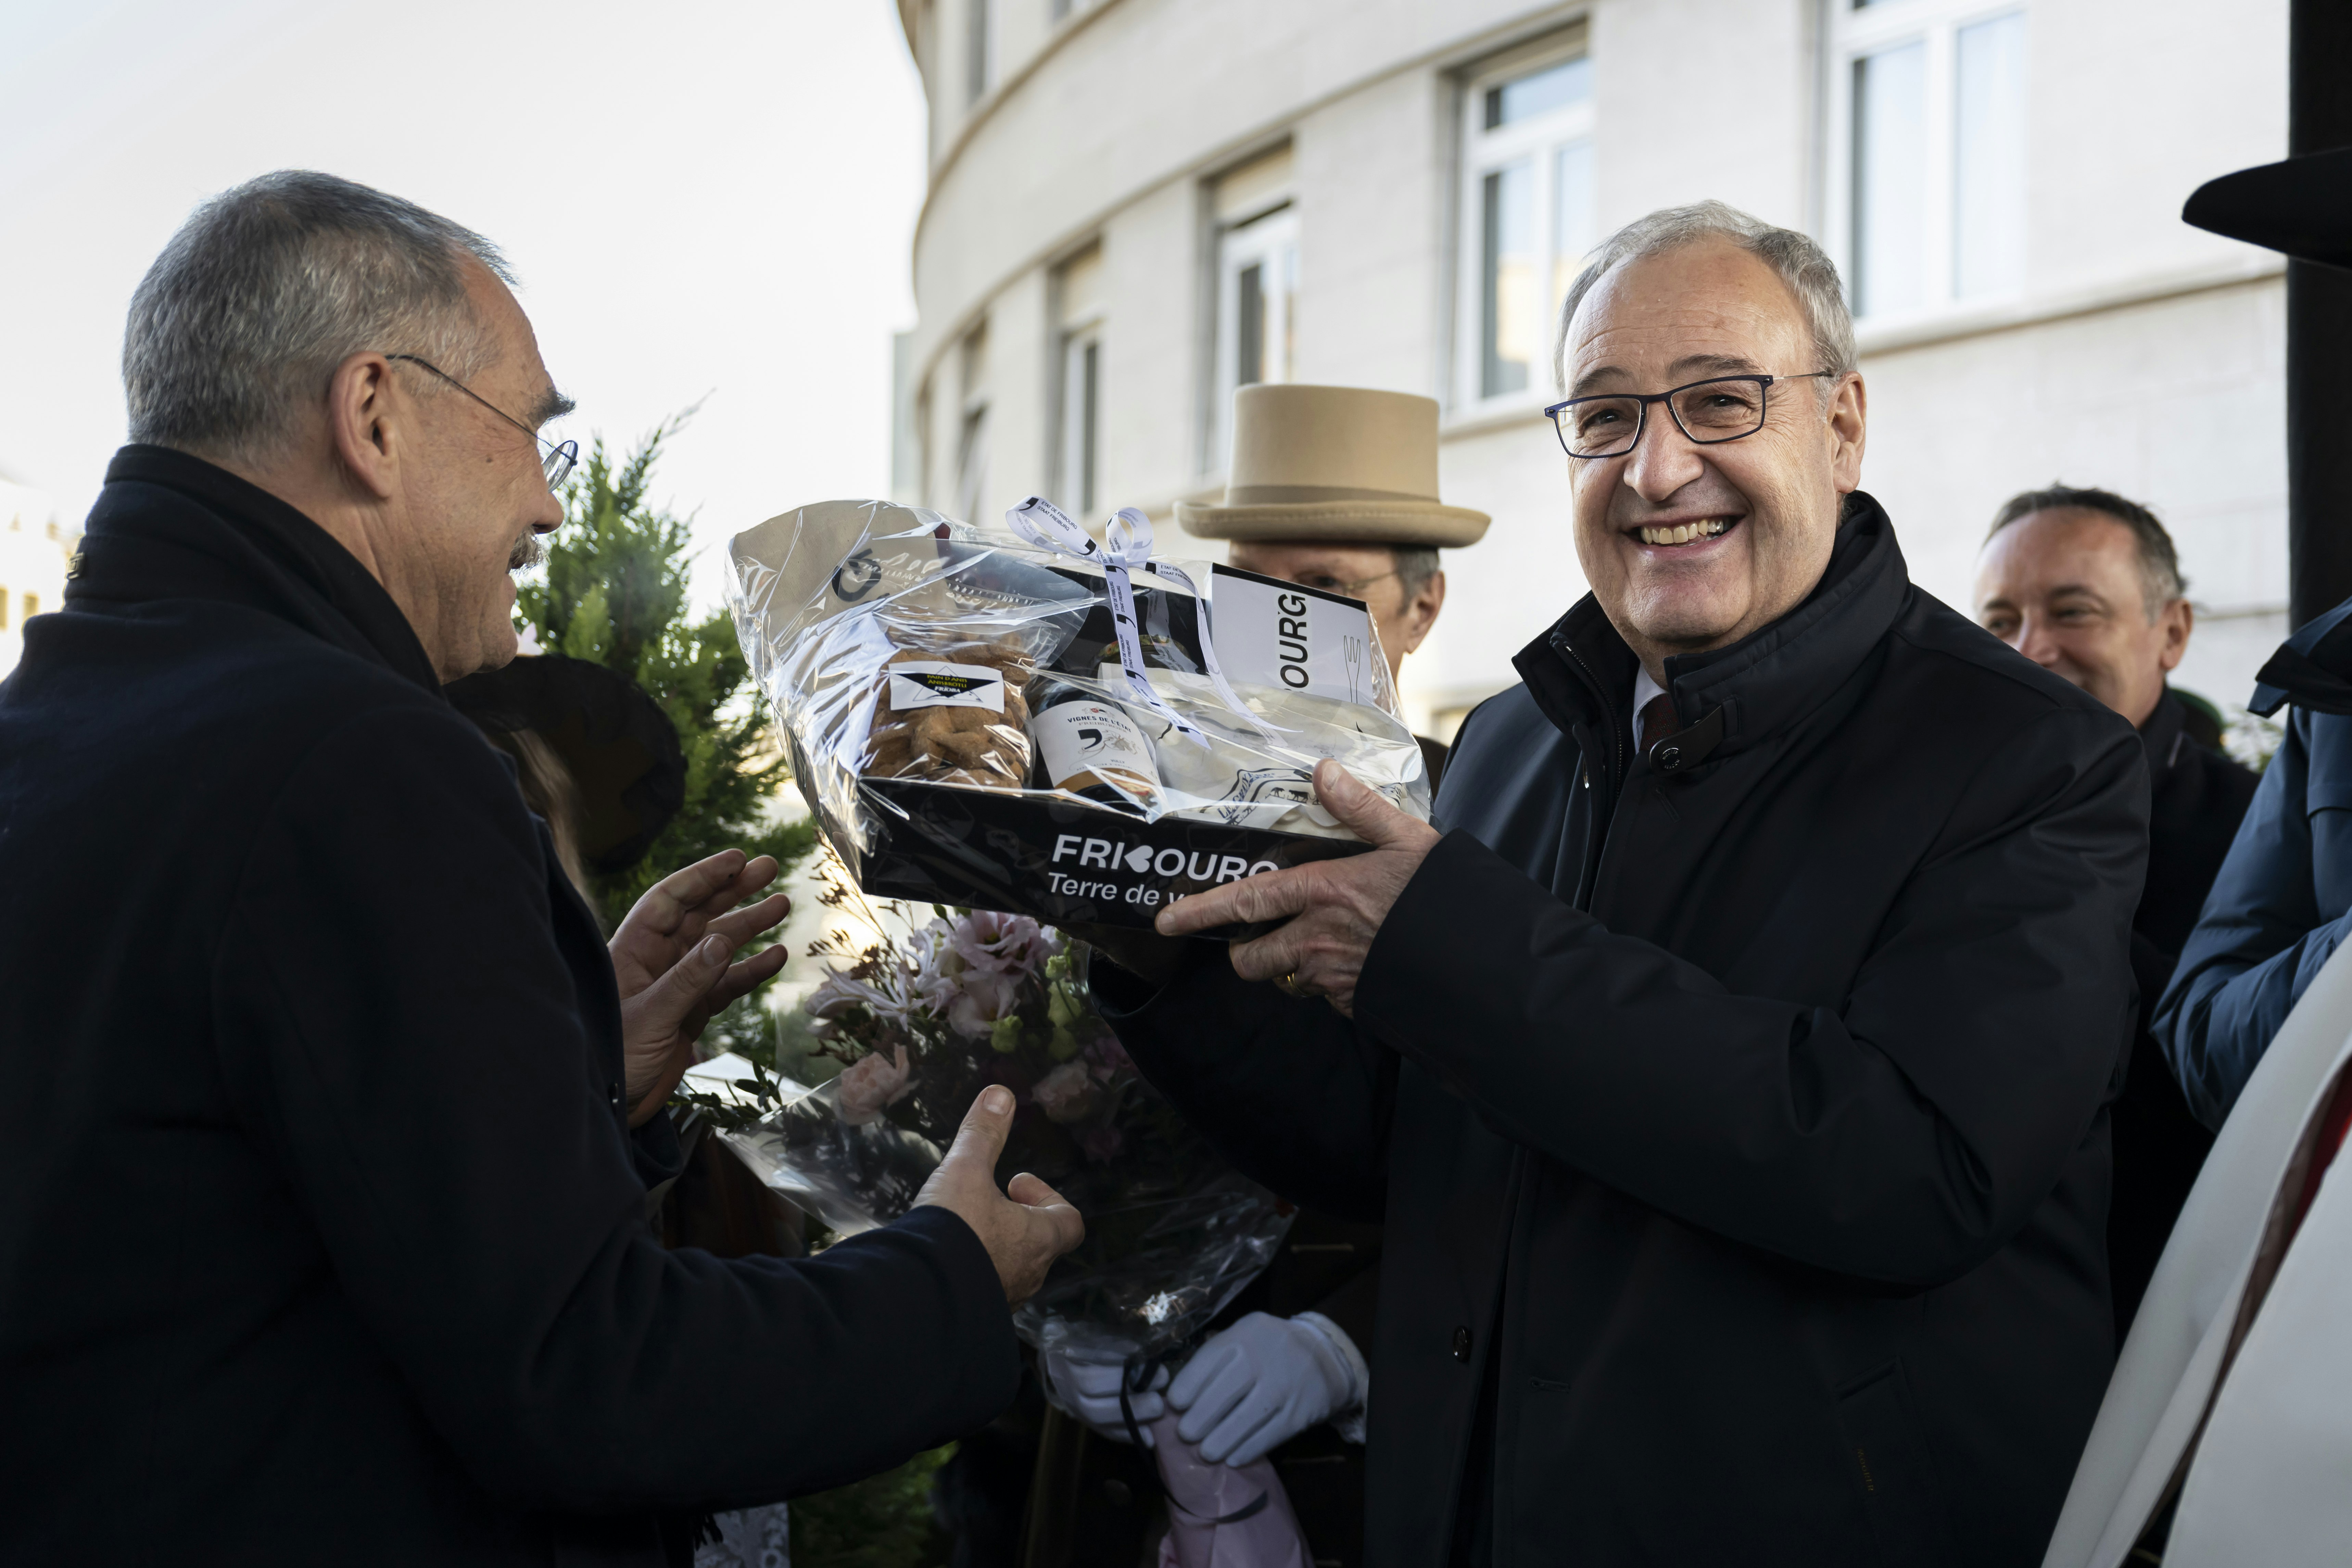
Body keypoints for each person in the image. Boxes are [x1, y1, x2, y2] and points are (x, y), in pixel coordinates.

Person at [0, 170, 1081, 1566]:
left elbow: (216, 1221)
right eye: (531, 433)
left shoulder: (55, 725)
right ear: (374, 413)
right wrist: (949, 1277)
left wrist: (572, 1084)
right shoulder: (357, 758)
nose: (550, 506)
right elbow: (587, 1381)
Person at [1086, 200, 2148, 1567]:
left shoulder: (2027, 756)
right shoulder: (1515, 738)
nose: (1656, 469)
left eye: (1717, 403)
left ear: (1839, 425)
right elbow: (1397, 1143)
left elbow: (1914, 1166)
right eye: (1602, 416)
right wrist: (1146, 945)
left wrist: (1450, 945)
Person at [1973, 485, 2259, 1334]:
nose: (2032, 650)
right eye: (1997, 622)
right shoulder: (1928, 826)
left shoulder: (2257, 839)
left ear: (2171, 632)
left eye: (2073, 611)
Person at [1177, 382, 1490, 788]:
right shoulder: (1160, 777)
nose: (1275, 618)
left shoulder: (1481, 804)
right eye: (1247, 580)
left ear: (1422, 609)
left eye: (1324, 584)